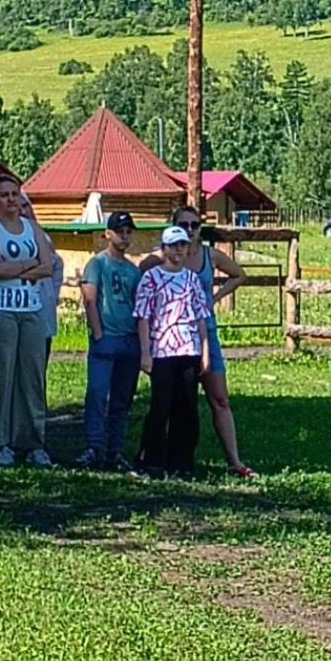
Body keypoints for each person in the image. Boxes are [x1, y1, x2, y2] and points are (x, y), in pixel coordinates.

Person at [140, 205, 257, 478]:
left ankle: (232, 460)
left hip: (200, 336)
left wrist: (214, 299)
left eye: (195, 225)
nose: (191, 230)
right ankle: (151, 458)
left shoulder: (208, 256)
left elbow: (239, 274)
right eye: (185, 225)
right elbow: (143, 298)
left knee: (214, 398)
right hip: (166, 342)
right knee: (163, 402)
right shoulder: (157, 263)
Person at [0, 175, 57, 468]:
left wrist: (16, 269)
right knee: (2, 376)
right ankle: (2, 443)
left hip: (32, 308)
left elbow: (48, 266)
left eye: (15, 194)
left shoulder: (33, 228)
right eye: (5, 195)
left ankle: (34, 442)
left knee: (33, 376)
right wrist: (29, 265)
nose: (11, 199)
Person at [135, 225, 210, 479]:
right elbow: (143, 316)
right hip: (162, 349)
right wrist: (145, 352)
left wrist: (205, 351)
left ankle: (182, 462)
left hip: (188, 348)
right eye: (174, 245)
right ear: (164, 248)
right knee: (160, 405)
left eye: (183, 245)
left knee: (186, 406)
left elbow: (201, 317)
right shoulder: (151, 278)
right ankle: (152, 460)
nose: (179, 250)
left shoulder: (191, 279)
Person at [78, 211, 142, 471]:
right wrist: (98, 333)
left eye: (128, 232)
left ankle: (114, 450)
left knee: (122, 398)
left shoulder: (132, 270)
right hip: (106, 337)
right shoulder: (97, 264)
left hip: (129, 339)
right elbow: (90, 298)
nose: (124, 236)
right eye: (120, 231)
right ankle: (93, 446)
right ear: (108, 233)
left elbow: (139, 305)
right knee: (96, 393)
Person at [20, 194, 65, 366]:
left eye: (26, 206)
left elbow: (55, 265)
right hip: (17, 308)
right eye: (18, 207)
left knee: (38, 368)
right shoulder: (2, 235)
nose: (23, 211)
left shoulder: (43, 237)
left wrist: (52, 295)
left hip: (41, 307)